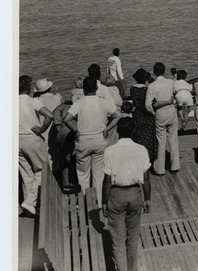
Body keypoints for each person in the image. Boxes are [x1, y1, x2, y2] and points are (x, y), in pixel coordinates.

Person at [102, 117, 151, 271]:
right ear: (133, 131)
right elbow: (147, 177)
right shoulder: (142, 150)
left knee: (117, 238)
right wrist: (148, 198)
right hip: (136, 194)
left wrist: (104, 201)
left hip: (116, 195)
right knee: (133, 235)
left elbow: (107, 180)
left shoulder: (110, 151)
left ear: (117, 131)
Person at [63, 76, 122, 205]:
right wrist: (107, 128)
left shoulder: (79, 103)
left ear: (83, 90)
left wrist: (76, 130)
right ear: (96, 88)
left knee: (83, 174)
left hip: (83, 140)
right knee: (99, 175)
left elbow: (67, 119)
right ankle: (99, 203)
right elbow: (118, 115)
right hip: (100, 140)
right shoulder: (103, 102)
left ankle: (85, 202)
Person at [18, 75, 54, 217]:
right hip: (32, 138)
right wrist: (42, 129)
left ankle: (29, 207)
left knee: (26, 174)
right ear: (28, 88)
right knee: (42, 170)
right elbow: (49, 115)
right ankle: (31, 202)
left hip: (16, 140)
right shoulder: (32, 101)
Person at [145, 62, 179, 175]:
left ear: (154, 72)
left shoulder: (152, 86)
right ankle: (174, 166)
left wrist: (153, 113)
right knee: (173, 140)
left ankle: (160, 169)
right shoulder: (170, 82)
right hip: (171, 112)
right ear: (164, 71)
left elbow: (148, 105)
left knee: (161, 142)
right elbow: (176, 93)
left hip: (160, 114)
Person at [129, 68, 158, 164]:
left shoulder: (132, 89)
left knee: (138, 136)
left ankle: (139, 158)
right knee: (149, 137)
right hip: (147, 115)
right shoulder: (147, 89)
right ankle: (150, 157)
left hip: (137, 115)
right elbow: (152, 103)